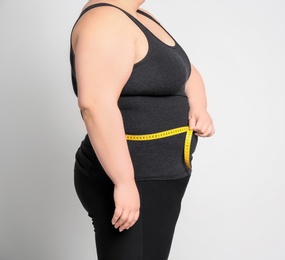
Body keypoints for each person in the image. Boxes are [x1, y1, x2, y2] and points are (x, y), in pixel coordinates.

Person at [69, 0, 215, 259]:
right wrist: (123, 182)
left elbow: (183, 70)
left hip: (159, 175)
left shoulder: (139, 16)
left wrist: (198, 105)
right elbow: (95, 105)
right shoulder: (104, 22)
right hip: (130, 177)